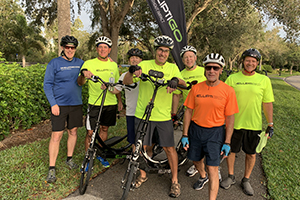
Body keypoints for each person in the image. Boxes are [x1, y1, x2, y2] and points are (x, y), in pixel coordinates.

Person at [123, 35, 186, 198]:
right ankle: (143, 175)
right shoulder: (144, 64)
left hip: (163, 116)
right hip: (142, 115)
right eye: (160, 50)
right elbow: (127, 82)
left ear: (169, 53)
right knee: (144, 147)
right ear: (155, 50)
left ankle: (174, 181)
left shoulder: (172, 67)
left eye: (166, 51)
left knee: (169, 148)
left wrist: (175, 80)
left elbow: (184, 83)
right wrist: (131, 71)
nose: (162, 54)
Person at [181, 53, 239, 200]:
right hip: (196, 130)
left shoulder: (228, 91)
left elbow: (230, 118)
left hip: (215, 132)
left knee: (213, 168)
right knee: (195, 160)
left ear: (220, 71)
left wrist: (227, 142)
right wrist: (185, 134)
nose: (211, 70)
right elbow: (188, 111)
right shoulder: (196, 88)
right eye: (208, 67)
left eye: (215, 68)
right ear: (204, 70)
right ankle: (202, 176)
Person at [221, 48, 274, 196]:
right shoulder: (232, 79)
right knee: (231, 150)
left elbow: (267, 103)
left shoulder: (264, 80)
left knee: (251, 154)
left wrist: (270, 124)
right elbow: (224, 100)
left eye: (253, 61)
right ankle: (231, 176)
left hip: (254, 124)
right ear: (243, 61)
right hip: (234, 123)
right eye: (247, 60)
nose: (250, 63)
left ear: (257, 63)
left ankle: (246, 179)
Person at [44, 35, 84, 183]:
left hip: (75, 104)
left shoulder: (80, 63)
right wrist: (53, 104)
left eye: (73, 47)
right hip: (59, 105)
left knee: (73, 131)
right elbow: (47, 85)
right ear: (62, 47)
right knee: (57, 135)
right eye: (67, 47)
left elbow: (91, 69)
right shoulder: (54, 63)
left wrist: (109, 60)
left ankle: (69, 159)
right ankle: (52, 168)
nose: (70, 50)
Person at [77, 36, 120, 167]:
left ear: (109, 49)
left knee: (104, 128)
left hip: (110, 103)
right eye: (100, 47)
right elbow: (80, 83)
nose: (102, 49)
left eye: (105, 47)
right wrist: (83, 75)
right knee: (90, 132)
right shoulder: (89, 63)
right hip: (95, 103)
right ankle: (88, 158)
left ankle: (100, 154)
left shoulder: (113, 65)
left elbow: (117, 85)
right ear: (97, 49)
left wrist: (119, 101)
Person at [171, 45, 207, 181]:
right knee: (193, 139)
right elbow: (176, 95)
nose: (188, 59)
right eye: (186, 57)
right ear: (182, 60)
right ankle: (197, 164)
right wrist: (173, 114)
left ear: (195, 58)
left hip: (206, 112)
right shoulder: (181, 75)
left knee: (206, 140)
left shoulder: (204, 71)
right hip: (190, 113)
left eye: (191, 56)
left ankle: (207, 166)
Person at [115, 48, 143, 146]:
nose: (134, 60)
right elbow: (116, 89)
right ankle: (134, 158)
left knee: (146, 138)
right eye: (132, 58)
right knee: (133, 139)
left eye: (137, 58)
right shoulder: (123, 76)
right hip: (131, 111)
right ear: (128, 61)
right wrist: (106, 87)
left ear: (141, 60)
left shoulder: (146, 74)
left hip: (144, 112)